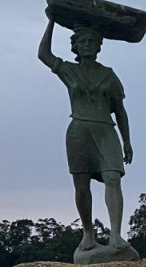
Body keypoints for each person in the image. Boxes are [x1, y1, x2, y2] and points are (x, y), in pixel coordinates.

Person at [38, 13, 135, 253]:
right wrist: (52, 21)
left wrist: (127, 141)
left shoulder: (109, 75)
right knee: (81, 186)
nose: (88, 45)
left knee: (113, 178)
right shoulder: (69, 70)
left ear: (99, 46)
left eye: (92, 42)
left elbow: (120, 110)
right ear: (76, 46)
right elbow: (44, 55)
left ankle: (115, 234)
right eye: (83, 42)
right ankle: (88, 232)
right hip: (79, 131)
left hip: (105, 130)